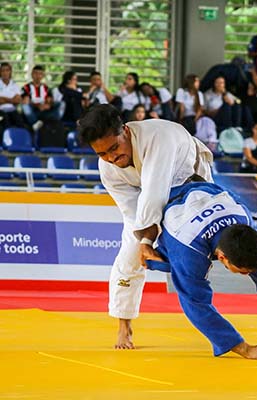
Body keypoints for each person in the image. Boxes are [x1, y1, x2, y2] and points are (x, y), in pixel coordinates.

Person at [143, 181, 257, 359]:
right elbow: (196, 305)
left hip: (209, 192)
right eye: (242, 271)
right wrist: (246, 349)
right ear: (222, 258)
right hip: (171, 204)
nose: (247, 275)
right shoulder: (188, 250)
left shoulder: (244, 219)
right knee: (155, 262)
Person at [77, 104, 214, 349]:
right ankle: (124, 325)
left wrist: (149, 241)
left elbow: (154, 192)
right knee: (130, 251)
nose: (111, 158)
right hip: (147, 187)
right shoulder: (107, 167)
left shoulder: (157, 138)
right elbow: (131, 211)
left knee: (198, 240)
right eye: (102, 154)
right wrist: (141, 242)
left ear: (126, 131)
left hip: (188, 177)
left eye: (114, 148)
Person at [21, 65, 61, 130]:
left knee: (61, 103)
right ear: (32, 74)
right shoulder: (26, 87)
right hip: (33, 112)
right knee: (25, 105)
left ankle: (42, 122)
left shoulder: (46, 88)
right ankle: (35, 123)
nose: (38, 76)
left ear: (43, 75)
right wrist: (38, 105)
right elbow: (25, 101)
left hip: (44, 112)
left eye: (40, 74)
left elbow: (50, 101)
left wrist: (48, 105)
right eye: (35, 73)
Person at [0, 62, 24, 135]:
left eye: (7, 70)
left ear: (10, 72)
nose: (5, 73)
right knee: (6, 121)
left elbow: (18, 101)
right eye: (2, 70)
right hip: (1, 111)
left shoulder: (14, 85)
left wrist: (4, 99)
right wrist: (11, 100)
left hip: (12, 110)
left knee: (21, 123)